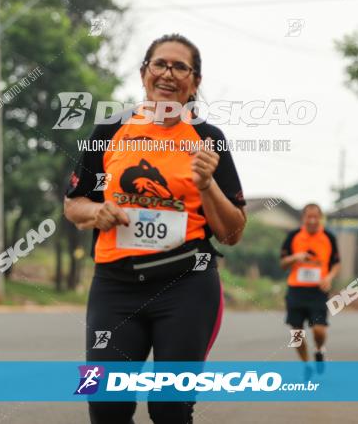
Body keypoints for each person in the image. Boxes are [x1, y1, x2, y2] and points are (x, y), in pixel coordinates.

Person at [64, 33, 247, 424]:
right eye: (159, 64)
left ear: (194, 82)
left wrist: (208, 185)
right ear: (144, 72)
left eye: (181, 67)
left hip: (186, 286)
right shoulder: (110, 131)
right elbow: (73, 203)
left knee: (170, 408)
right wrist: (96, 213)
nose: (168, 73)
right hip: (115, 285)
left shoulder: (208, 140)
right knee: (105, 406)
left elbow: (232, 233)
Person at [280, 204, 341, 362]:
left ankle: (319, 350)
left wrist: (329, 277)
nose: (313, 220)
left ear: (320, 218)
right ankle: (305, 364)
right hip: (296, 291)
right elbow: (283, 263)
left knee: (319, 330)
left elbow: (336, 263)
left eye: (316, 217)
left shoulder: (329, 237)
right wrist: (295, 257)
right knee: (296, 333)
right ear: (303, 218)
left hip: (318, 291)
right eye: (309, 217)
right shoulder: (293, 236)